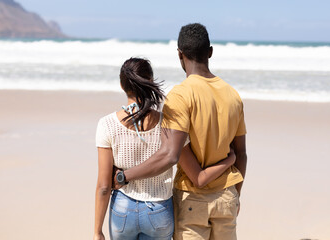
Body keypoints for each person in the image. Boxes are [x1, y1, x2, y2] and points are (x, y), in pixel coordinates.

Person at [112, 23, 247, 240]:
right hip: (227, 197)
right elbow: (240, 154)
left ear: (179, 54)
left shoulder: (181, 95)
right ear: (210, 52)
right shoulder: (233, 96)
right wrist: (236, 196)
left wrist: (124, 176)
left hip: (192, 200)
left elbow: (170, 154)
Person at [93, 57, 237, 240]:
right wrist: (229, 160)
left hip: (122, 210)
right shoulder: (170, 125)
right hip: (159, 212)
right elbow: (198, 178)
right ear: (150, 82)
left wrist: (97, 231)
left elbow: (104, 186)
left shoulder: (107, 124)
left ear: (122, 86)